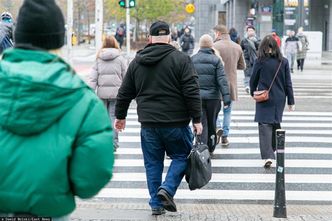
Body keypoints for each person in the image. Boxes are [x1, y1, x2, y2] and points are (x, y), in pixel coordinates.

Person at [0, 0, 114, 219]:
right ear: (58, 42)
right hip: (50, 213)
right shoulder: (84, 102)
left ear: (18, 36)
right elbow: (91, 178)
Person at [114, 21, 202, 215]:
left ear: (150, 39)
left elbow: (124, 92)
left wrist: (120, 116)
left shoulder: (138, 61)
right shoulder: (181, 59)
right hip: (176, 123)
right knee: (182, 156)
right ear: (170, 38)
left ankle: (156, 203)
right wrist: (197, 119)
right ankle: (167, 189)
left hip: (149, 124)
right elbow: (192, 91)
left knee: (152, 163)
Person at [249, 35, 295, 168]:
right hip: (279, 98)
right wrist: (291, 101)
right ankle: (273, 148)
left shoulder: (260, 61)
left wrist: (253, 92)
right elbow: (288, 83)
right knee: (275, 122)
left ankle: (268, 155)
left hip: (264, 96)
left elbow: (253, 79)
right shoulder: (283, 61)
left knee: (264, 124)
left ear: (263, 47)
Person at [192, 34, 231, 154]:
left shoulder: (192, 59)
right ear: (211, 45)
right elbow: (222, 80)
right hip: (213, 98)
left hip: (197, 98)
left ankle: (201, 146)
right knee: (212, 122)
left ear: (200, 45)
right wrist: (226, 98)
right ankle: (211, 145)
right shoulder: (216, 60)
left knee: (200, 122)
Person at [88, 35, 128, 151]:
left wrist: (91, 92)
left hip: (101, 94)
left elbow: (93, 78)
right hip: (116, 94)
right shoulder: (120, 58)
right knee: (113, 118)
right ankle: (113, 143)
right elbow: (126, 77)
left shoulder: (98, 58)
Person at [213, 25, 246, 146]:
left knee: (215, 110)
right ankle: (225, 136)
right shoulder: (237, 47)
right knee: (227, 111)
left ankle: (217, 127)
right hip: (231, 84)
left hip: (216, 83)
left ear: (218, 33)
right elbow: (242, 66)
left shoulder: (214, 46)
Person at [241, 26, 260, 94]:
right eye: (249, 31)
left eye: (252, 30)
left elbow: (260, 49)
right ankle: (247, 86)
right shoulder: (244, 40)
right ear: (247, 32)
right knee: (247, 74)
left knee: (255, 74)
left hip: (256, 60)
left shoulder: (258, 40)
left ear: (254, 31)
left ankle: (254, 86)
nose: (250, 32)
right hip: (247, 60)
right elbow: (241, 49)